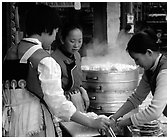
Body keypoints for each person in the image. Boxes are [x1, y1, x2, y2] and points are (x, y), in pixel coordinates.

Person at [2, 4, 110, 137]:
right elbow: (58, 105)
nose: (54, 38)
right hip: (35, 126)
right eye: (55, 32)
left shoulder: (10, 53)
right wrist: (92, 123)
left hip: (10, 123)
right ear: (47, 29)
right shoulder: (44, 60)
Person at [109, 28, 167, 137]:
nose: (137, 64)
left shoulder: (165, 74)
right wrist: (114, 117)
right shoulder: (150, 71)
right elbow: (136, 98)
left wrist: (122, 123)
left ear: (149, 52)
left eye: (137, 59)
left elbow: (154, 112)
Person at [51, 23, 89, 113]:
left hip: (77, 97)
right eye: (72, 41)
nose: (76, 45)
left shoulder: (77, 55)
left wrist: (82, 91)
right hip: (63, 101)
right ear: (62, 39)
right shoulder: (54, 59)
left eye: (80, 41)